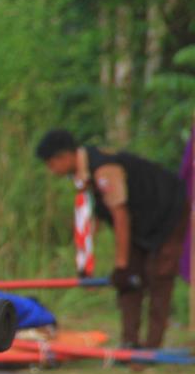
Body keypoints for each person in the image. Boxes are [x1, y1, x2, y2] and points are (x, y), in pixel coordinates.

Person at [36, 129, 190, 349]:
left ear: (64, 157)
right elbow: (94, 215)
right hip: (140, 219)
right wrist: (86, 260)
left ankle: (152, 347)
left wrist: (121, 263)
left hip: (168, 210)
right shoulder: (82, 171)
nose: (52, 171)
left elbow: (120, 216)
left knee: (159, 275)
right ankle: (129, 343)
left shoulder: (104, 169)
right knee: (128, 282)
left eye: (51, 164)